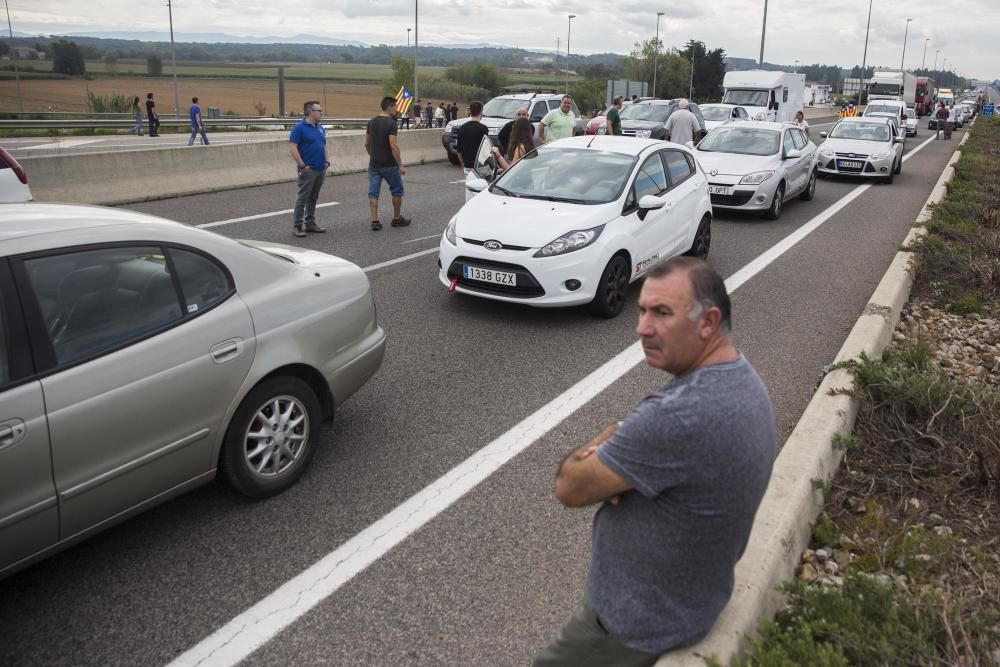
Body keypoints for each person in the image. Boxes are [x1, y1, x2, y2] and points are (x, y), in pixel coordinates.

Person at [535, 257, 775, 667]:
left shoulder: (677, 416)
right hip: (692, 598)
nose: (642, 328)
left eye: (661, 313)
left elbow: (570, 487)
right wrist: (629, 450)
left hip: (631, 626)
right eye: (642, 310)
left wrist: (612, 437)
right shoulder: (741, 377)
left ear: (707, 322)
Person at [365, 96, 411, 231]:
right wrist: (400, 165)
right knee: (397, 191)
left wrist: (372, 155)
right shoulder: (391, 123)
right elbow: (394, 146)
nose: (396, 110)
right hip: (389, 165)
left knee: (373, 193)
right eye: (395, 107)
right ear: (389, 107)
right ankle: (397, 219)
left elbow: (366, 143)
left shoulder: (372, 122)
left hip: (374, 164)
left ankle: (374, 221)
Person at [288, 100, 330, 238]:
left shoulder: (319, 127)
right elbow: (293, 147)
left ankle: (310, 223)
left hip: (320, 168)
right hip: (308, 169)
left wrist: (327, 161)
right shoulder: (299, 128)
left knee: (313, 197)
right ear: (311, 112)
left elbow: (323, 144)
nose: (321, 113)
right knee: (303, 197)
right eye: (319, 111)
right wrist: (302, 166)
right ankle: (297, 225)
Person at [456, 100, 490, 202]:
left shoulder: (462, 128)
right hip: (481, 167)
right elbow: (486, 150)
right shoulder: (483, 128)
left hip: (467, 166)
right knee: (485, 191)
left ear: (469, 112)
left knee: (470, 191)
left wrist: (463, 165)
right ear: (481, 111)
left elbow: (459, 150)